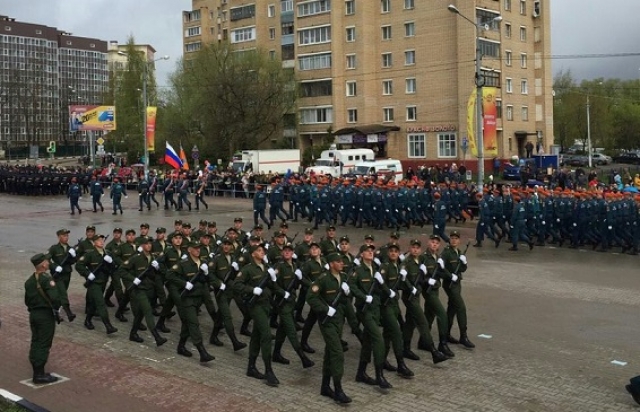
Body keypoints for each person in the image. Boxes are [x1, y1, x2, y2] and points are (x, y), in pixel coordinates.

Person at [307, 252, 352, 404]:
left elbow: (345, 300)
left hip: (339, 319)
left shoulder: (344, 277)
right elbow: (310, 298)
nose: (341, 264)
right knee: (337, 353)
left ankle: (325, 386)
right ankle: (338, 389)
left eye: (342, 262)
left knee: (329, 352)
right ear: (332, 264)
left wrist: (347, 293)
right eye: (338, 262)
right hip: (327, 321)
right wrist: (325, 309)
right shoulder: (323, 279)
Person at [234, 243, 281, 387]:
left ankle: (251, 367)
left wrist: (273, 279)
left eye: (263, 251)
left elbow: (272, 287)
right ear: (253, 253)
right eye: (259, 250)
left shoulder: (266, 267)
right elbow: (236, 285)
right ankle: (269, 370)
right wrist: (251, 289)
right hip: (255, 306)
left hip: (266, 305)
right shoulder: (247, 269)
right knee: (266, 335)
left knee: (256, 335)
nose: (262, 253)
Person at [349, 244, 392, 389]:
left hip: (375, 309)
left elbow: (382, 288)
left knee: (367, 342)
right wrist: (363, 296)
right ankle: (380, 375)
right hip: (364, 310)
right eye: (367, 251)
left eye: (372, 251)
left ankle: (360, 373)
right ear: (361, 254)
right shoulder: (358, 271)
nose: (370, 252)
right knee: (378, 339)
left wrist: (383, 284)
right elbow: (352, 287)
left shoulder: (376, 269)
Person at [167, 240, 215, 363]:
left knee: (187, 324)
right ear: (189, 250)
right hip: (188, 299)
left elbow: (208, 280)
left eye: (199, 248)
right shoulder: (183, 263)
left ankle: (181, 346)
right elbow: (170, 275)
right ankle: (202, 352)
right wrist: (184, 283)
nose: (198, 250)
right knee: (194, 324)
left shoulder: (203, 263)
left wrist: (207, 273)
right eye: (195, 248)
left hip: (199, 298)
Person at [271, 243, 315, 369]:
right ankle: (303, 358)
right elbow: (272, 284)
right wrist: (282, 292)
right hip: (283, 304)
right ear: (282, 253)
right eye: (285, 250)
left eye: (289, 251)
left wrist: (313, 286)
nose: (287, 252)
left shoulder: (295, 266)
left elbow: (302, 280)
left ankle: (276, 354)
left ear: (292, 253)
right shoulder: (279, 267)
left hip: (291, 303)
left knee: (282, 330)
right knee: (291, 331)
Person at [120, 238, 167, 346]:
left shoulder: (154, 258)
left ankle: (133, 334)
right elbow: (121, 270)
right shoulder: (136, 258)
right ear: (142, 245)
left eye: (150, 243)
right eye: (146, 243)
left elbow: (164, 273)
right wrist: (133, 278)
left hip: (150, 290)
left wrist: (158, 267)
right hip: (140, 290)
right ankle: (157, 337)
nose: (149, 245)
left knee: (140, 314)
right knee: (148, 311)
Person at [25, 253, 61, 384]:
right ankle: (39, 375)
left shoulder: (29, 281)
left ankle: (37, 370)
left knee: (35, 341)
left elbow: (27, 301)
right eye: (47, 261)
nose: (49, 262)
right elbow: (55, 298)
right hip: (45, 315)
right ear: (43, 264)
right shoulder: (46, 279)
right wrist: (57, 308)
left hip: (33, 314)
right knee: (44, 343)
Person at [75, 234, 118, 335]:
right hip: (94, 283)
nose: (101, 241)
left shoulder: (107, 253)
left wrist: (111, 262)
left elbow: (113, 268)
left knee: (94, 304)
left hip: (103, 282)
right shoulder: (90, 254)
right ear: (94, 242)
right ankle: (108, 326)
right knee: (100, 303)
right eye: (98, 240)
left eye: (102, 240)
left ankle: (87, 320)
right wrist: (87, 274)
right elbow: (78, 265)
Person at [441, 230, 475, 349]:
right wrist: (450, 276)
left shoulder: (458, 252)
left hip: (457, 284)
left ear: (459, 240)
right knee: (461, 307)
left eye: (456, 238)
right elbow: (441, 268)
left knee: (452, 309)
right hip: (450, 284)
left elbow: (462, 269)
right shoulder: (446, 253)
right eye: (452, 238)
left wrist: (464, 263)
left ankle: (446, 334)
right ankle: (463, 336)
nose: (454, 240)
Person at [48, 228, 77, 321]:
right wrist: (54, 266)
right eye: (64, 235)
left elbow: (73, 261)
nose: (66, 237)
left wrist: (74, 256)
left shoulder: (70, 248)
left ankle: (54, 312)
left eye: (67, 235)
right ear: (59, 237)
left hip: (67, 274)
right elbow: (47, 259)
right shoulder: (54, 248)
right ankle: (69, 313)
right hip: (58, 275)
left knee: (59, 296)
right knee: (63, 294)